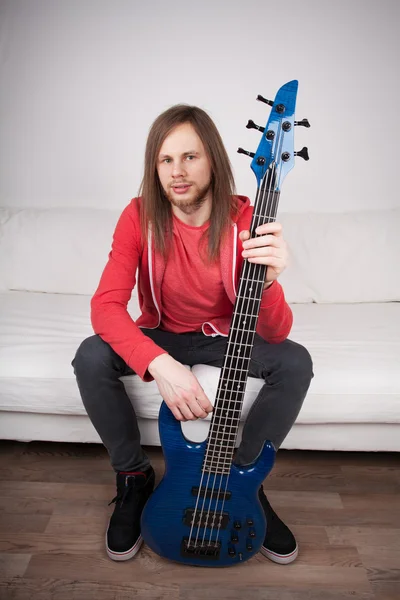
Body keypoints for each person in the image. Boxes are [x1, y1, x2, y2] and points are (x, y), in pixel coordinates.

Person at [71, 104, 314, 565]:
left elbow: (278, 331)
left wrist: (269, 283)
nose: (177, 172)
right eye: (166, 160)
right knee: (90, 356)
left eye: (190, 157)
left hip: (226, 337)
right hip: (163, 337)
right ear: (154, 166)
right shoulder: (138, 216)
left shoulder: (245, 218)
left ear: (214, 160)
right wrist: (160, 365)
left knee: (295, 361)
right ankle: (133, 478)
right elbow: (105, 306)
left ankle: (242, 481)